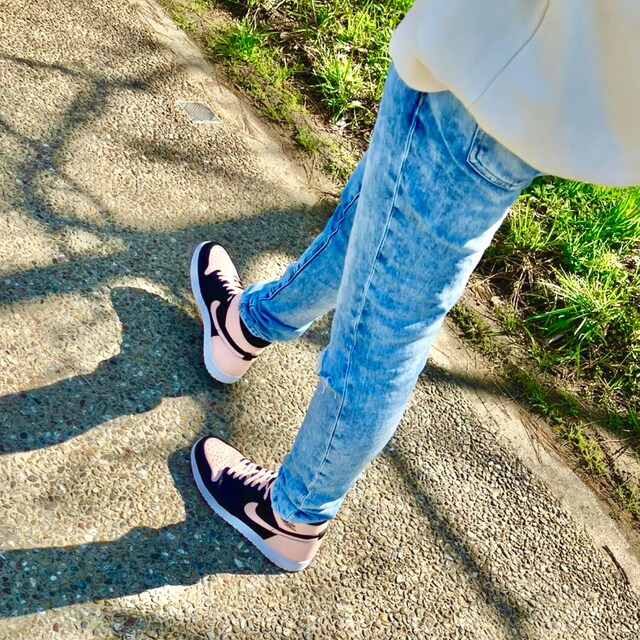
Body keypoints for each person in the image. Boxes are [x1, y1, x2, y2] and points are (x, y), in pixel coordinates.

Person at [188, 0, 640, 572]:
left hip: (490, 64)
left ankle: (292, 514)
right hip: (557, 83)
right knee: (376, 218)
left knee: (384, 330)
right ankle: (247, 327)